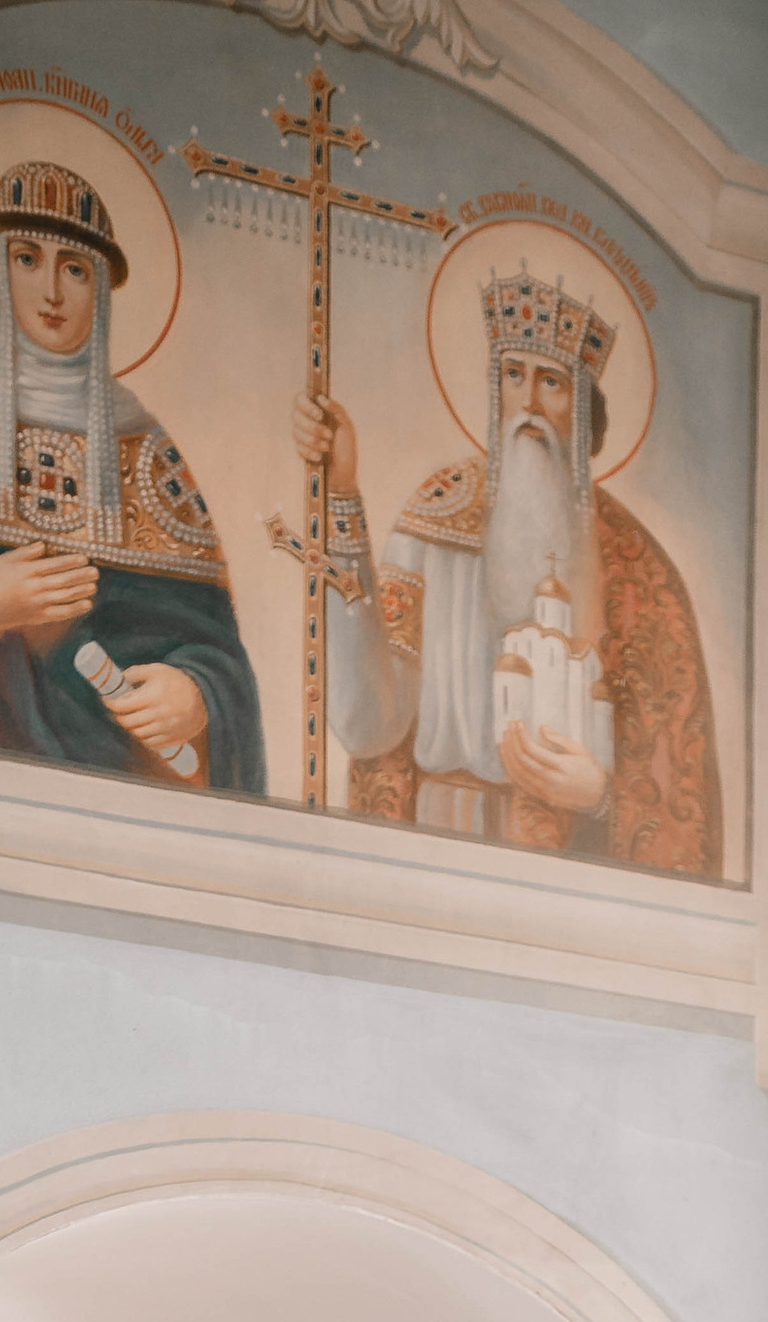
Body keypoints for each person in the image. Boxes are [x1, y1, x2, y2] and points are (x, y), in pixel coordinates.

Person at [0, 162, 265, 795]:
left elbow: (209, 641)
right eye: (30, 258)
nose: (52, 293)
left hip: (121, 797)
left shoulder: (145, 452)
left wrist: (196, 694)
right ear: (3, 269)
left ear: (101, 289)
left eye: (74, 268)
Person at [297, 265, 722, 871]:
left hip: (572, 863)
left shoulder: (634, 568)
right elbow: (372, 716)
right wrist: (341, 494)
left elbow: (675, 766)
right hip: (431, 845)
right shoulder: (432, 518)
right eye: (512, 376)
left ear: (583, 408)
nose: (527, 404)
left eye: (550, 382)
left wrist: (602, 798)